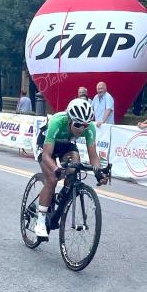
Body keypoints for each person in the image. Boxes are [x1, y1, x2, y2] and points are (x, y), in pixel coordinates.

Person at [34, 99, 108, 238]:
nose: (82, 129)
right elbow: (46, 155)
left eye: (85, 125)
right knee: (51, 179)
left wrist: (99, 173)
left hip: (66, 144)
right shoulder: (57, 122)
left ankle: (64, 195)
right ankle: (40, 221)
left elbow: (93, 156)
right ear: (69, 120)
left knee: (75, 164)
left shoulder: (89, 128)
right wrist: (56, 169)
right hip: (47, 144)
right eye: (78, 124)